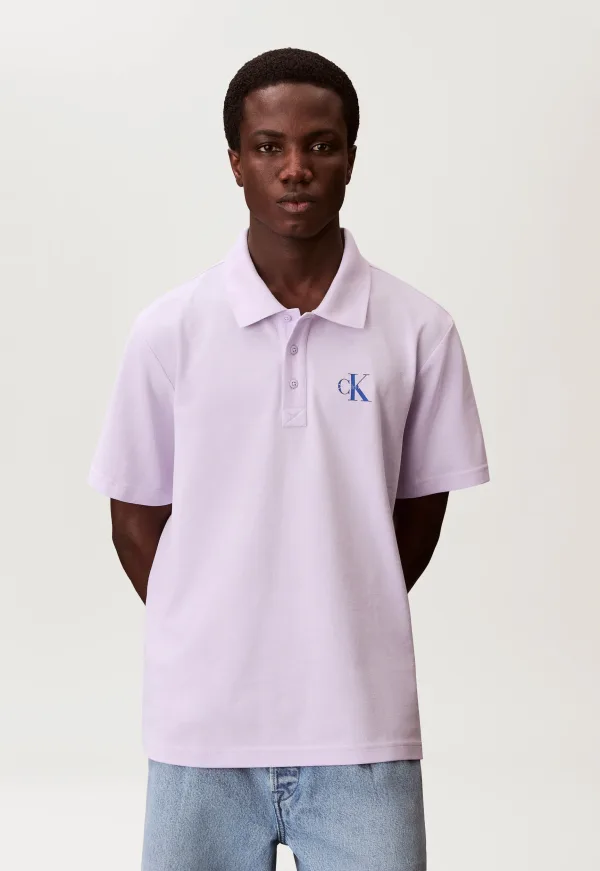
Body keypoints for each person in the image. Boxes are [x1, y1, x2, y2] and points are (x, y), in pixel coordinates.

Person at [88, 46, 490, 871]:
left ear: (351, 157)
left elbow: (416, 517)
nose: (296, 168)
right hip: (201, 736)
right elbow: (133, 516)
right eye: (269, 146)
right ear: (236, 162)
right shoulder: (169, 332)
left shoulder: (419, 330)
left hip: (363, 732)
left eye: (321, 145)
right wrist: (211, 625)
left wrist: (336, 610)